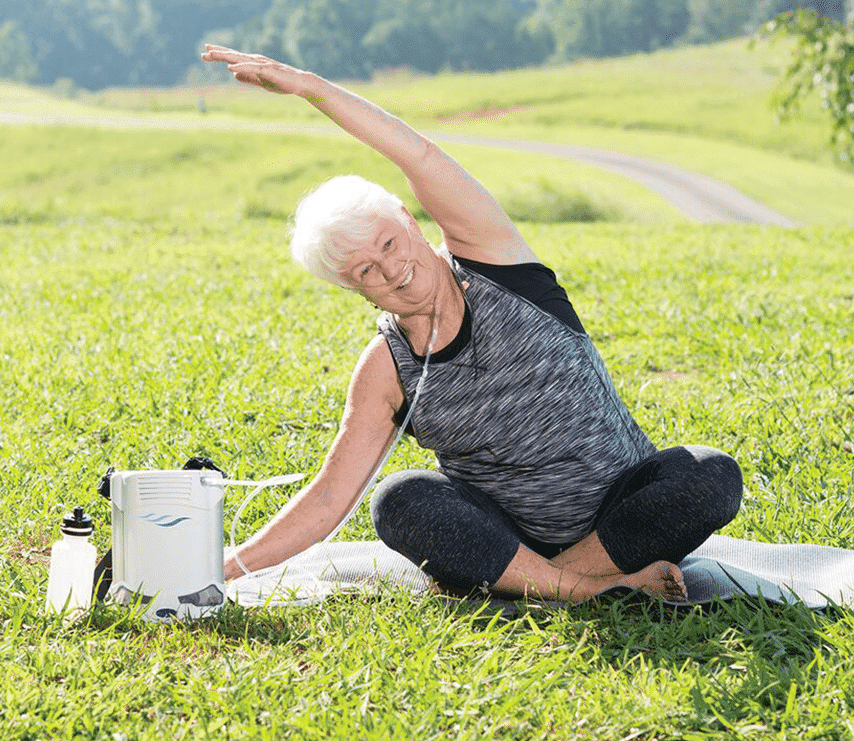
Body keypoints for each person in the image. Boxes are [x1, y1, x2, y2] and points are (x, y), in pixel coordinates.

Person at [200, 44, 743, 605]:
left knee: (709, 473)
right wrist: (218, 568)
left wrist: (313, 88)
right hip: (506, 540)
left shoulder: (493, 260)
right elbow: (327, 499)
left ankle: (565, 583)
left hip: (620, 518)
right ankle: (586, 591)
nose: (392, 268)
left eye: (389, 242)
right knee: (400, 499)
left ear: (410, 218)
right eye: (366, 269)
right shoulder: (387, 369)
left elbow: (421, 157)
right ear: (352, 288)